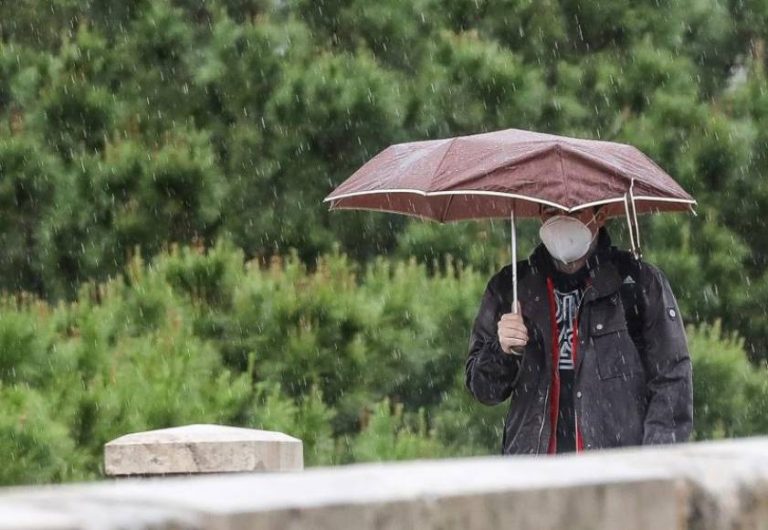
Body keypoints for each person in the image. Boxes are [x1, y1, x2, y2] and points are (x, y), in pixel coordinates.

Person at [465, 205, 693, 455]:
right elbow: (483, 390)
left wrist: (656, 461)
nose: (561, 220)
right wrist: (502, 351)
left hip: (616, 474)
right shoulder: (511, 287)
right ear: (539, 214)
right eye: (551, 212)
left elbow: (672, 378)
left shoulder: (638, 282)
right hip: (533, 477)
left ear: (601, 214)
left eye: (573, 211)